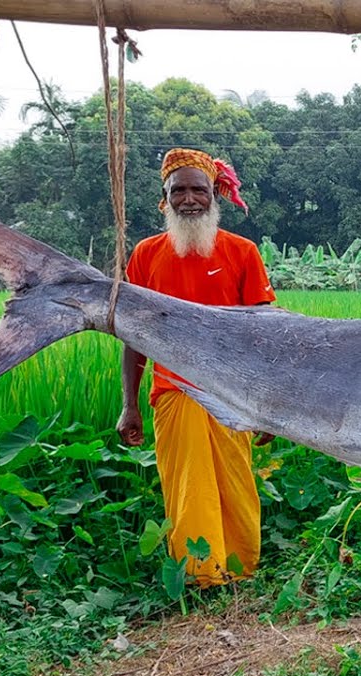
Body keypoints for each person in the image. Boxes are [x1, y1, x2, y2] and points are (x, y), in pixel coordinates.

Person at [117, 148, 276, 587]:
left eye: (198, 190)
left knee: (236, 482)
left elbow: (262, 337)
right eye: (178, 190)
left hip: (232, 395)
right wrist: (129, 405)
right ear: (163, 200)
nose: (189, 199)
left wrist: (268, 406)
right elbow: (133, 337)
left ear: (214, 196)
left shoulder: (241, 252)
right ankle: (201, 576)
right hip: (173, 392)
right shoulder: (146, 255)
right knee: (189, 487)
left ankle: (241, 570)